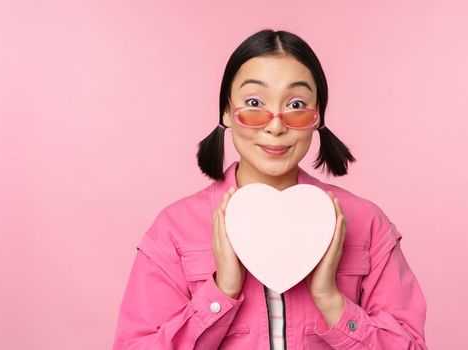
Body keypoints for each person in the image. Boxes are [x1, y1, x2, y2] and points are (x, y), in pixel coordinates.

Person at [113, 29, 428, 349]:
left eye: (296, 104)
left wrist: (330, 300)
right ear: (226, 111)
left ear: (317, 115)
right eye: (253, 103)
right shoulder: (174, 230)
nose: (276, 126)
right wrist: (221, 293)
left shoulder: (366, 223)